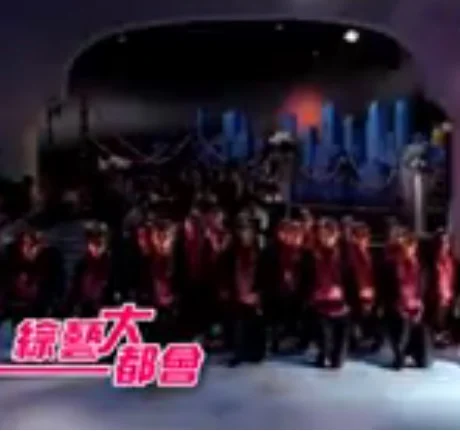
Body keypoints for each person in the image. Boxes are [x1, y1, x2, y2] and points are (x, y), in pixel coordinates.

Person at [308, 218, 350, 369]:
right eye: (323, 235)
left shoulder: (344, 255)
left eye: (330, 234)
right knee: (324, 339)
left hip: (341, 304)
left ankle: (334, 356)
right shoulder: (312, 255)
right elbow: (307, 278)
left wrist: (349, 301)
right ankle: (323, 352)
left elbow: (351, 279)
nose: (326, 238)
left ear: (336, 235)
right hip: (321, 304)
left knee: (338, 360)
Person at [1, 227, 64, 324]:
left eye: (37, 243)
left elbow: (57, 291)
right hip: (10, 309)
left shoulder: (52, 259)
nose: (32, 248)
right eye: (27, 243)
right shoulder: (8, 256)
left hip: (39, 312)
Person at [387, 233, 431, 369]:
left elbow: (424, 289)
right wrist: (395, 305)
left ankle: (415, 353)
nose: (409, 249)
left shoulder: (421, 266)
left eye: (411, 246)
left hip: (417, 309)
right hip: (399, 310)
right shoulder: (392, 266)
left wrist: (421, 305)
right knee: (402, 332)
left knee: (424, 363)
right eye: (406, 246)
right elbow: (386, 289)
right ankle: (400, 355)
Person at [227, 219, 268, 366]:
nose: (244, 235)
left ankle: (256, 352)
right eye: (242, 231)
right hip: (238, 292)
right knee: (239, 325)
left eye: (247, 231)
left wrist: (259, 293)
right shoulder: (232, 252)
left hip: (255, 294)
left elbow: (267, 274)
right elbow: (225, 272)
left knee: (256, 324)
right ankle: (239, 353)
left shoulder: (261, 252)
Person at [268, 219, 306, 353]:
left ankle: (295, 341)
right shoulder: (274, 250)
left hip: (297, 291)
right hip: (278, 290)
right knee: (278, 318)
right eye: (290, 233)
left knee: (295, 317)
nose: (293, 236)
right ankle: (277, 341)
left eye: (296, 234)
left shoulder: (304, 252)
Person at [65, 222, 115, 317]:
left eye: (99, 242)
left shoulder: (113, 265)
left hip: (105, 313)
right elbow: (74, 292)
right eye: (92, 241)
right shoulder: (82, 265)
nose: (95, 246)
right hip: (85, 312)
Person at [347, 223, 382, 352]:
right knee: (357, 318)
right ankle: (356, 341)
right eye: (361, 236)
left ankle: (369, 340)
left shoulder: (367, 253)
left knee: (368, 318)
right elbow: (356, 273)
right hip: (358, 291)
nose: (365, 239)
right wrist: (362, 290)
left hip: (368, 290)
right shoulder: (351, 253)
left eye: (366, 236)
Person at [426, 229, 456, 347]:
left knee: (444, 319)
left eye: (446, 242)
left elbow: (452, 278)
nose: (444, 245)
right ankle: (435, 338)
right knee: (436, 319)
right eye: (442, 242)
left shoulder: (451, 260)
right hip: (436, 296)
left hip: (448, 294)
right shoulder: (431, 261)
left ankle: (442, 336)